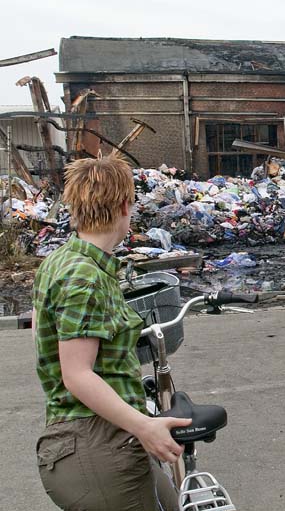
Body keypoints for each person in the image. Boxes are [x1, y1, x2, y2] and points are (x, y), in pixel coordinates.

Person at [33, 154, 191, 511]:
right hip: (95, 443)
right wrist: (144, 426)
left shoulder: (60, 263)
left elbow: (47, 356)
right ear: (124, 205)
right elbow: (75, 375)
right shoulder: (84, 278)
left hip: (94, 440)